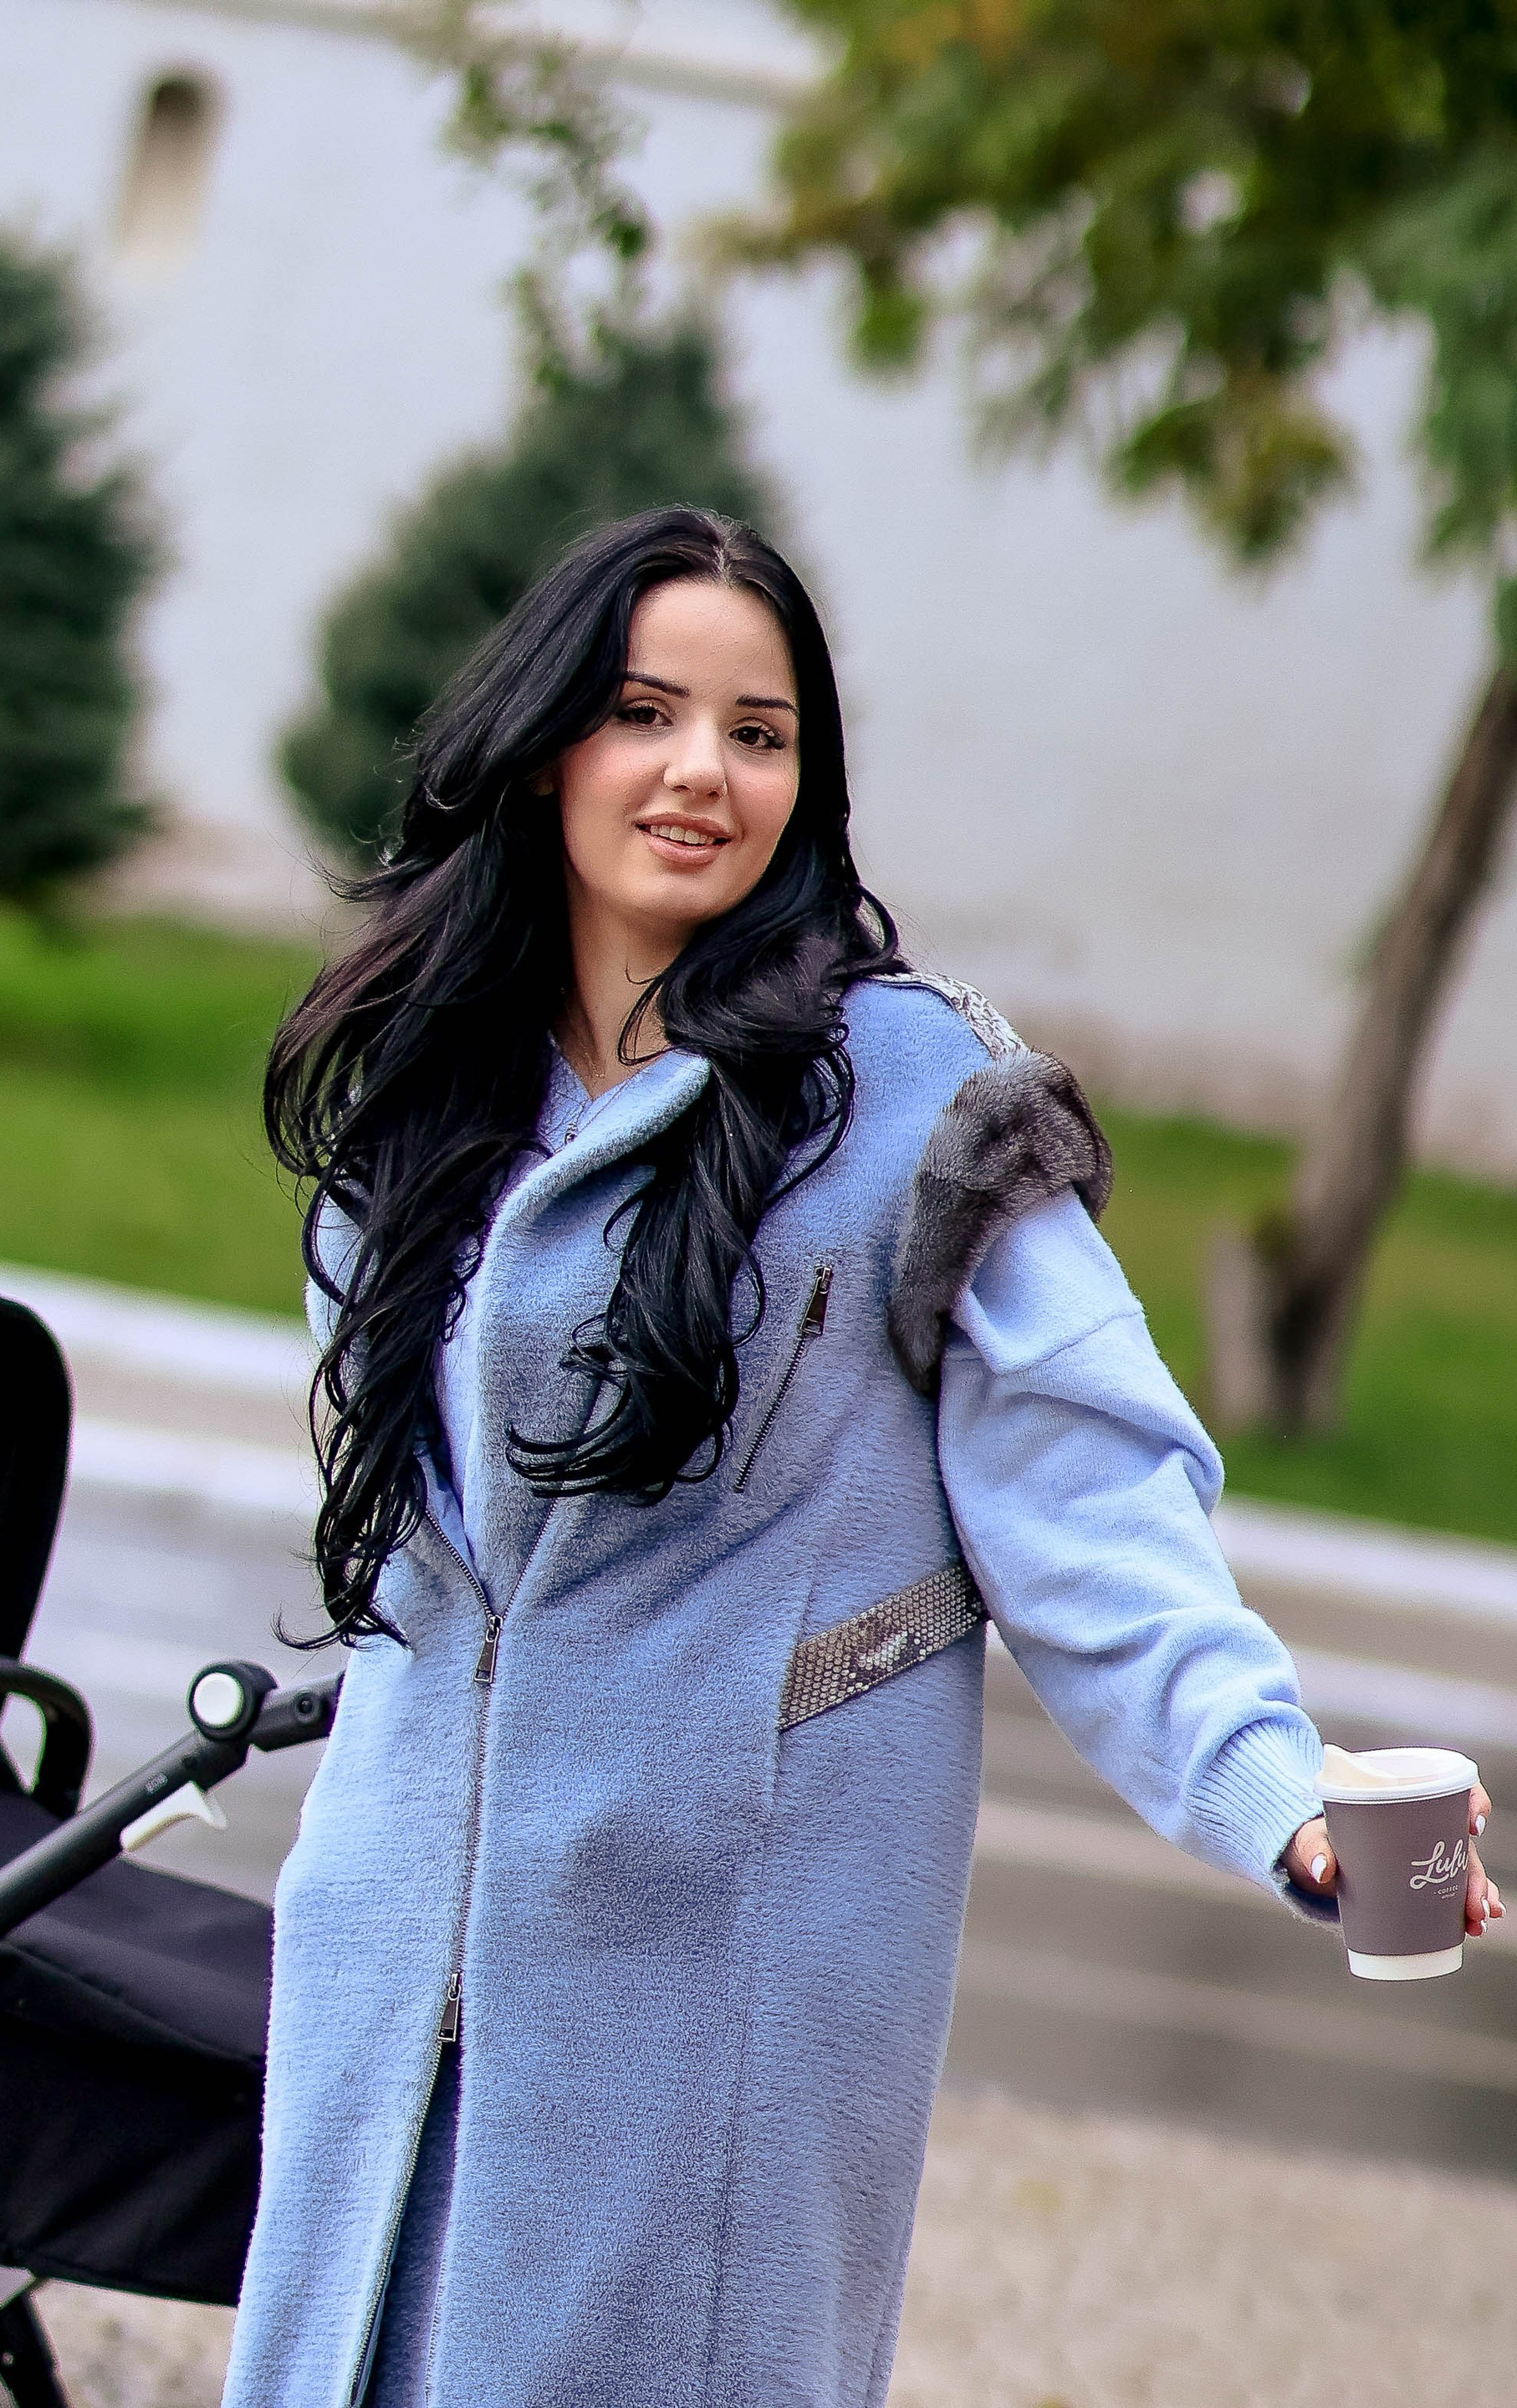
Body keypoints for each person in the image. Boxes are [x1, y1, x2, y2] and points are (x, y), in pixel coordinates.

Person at [224, 508, 1499, 2408]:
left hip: (708, 2002)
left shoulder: (912, 1108)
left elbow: (1092, 1503)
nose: (701, 772)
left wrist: (1278, 1786)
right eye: (645, 713)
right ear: (546, 746)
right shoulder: (430, 1092)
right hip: (386, 1976)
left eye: (759, 733)